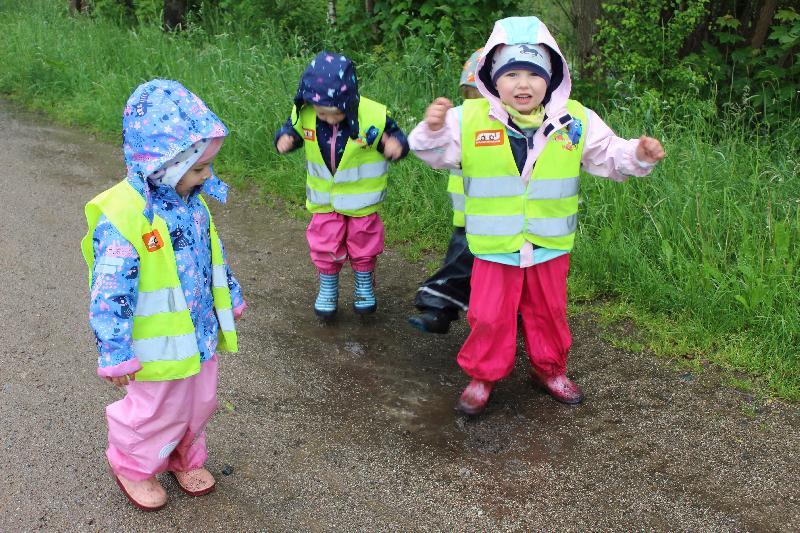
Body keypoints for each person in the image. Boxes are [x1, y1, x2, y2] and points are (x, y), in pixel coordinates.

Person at [409, 17, 666, 415]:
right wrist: (432, 129)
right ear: (493, 78)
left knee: (548, 313)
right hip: (495, 247)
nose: (523, 84)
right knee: (489, 317)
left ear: (553, 77)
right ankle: (483, 376)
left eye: (533, 73)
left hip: (549, 244)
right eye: (511, 73)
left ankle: (549, 370)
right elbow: (434, 154)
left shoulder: (575, 120)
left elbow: (608, 154)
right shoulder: (467, 118)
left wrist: (637, 155)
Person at [81, 79, 246, 510]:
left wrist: (230, 293)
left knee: (200, 401)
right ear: (162, 165)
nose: (207, 174)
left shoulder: (194, 202)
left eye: (208, 164)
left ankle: (183, 454)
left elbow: (214, 254)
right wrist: (113, 351)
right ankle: (132, 465)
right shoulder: (125, 216)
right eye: (198, 167)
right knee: (156, 410)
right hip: (154, 347)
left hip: (199, 333)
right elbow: (109, 291)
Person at [275, 51, 409, 318]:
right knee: (324, 244)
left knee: (364, 242)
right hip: (324, 201)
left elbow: (393, 135)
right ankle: (328, 286)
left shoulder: (372, 115)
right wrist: (286, 139)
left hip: (362, 202)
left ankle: (363, 285)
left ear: (349, 101)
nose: (327, 118)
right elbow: (293, 130)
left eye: (334, 114)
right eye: (321, 113)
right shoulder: (306, 113)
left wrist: (396, 145)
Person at [408, 49, 482, 335]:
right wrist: (434, 128)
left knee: (516, 281)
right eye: (472, 98)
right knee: (459, 267)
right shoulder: (460, 124)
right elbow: (431, 149)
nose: (477, 106)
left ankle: (517, 319)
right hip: (469, 221)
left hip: (513, 226)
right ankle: (437, 308)